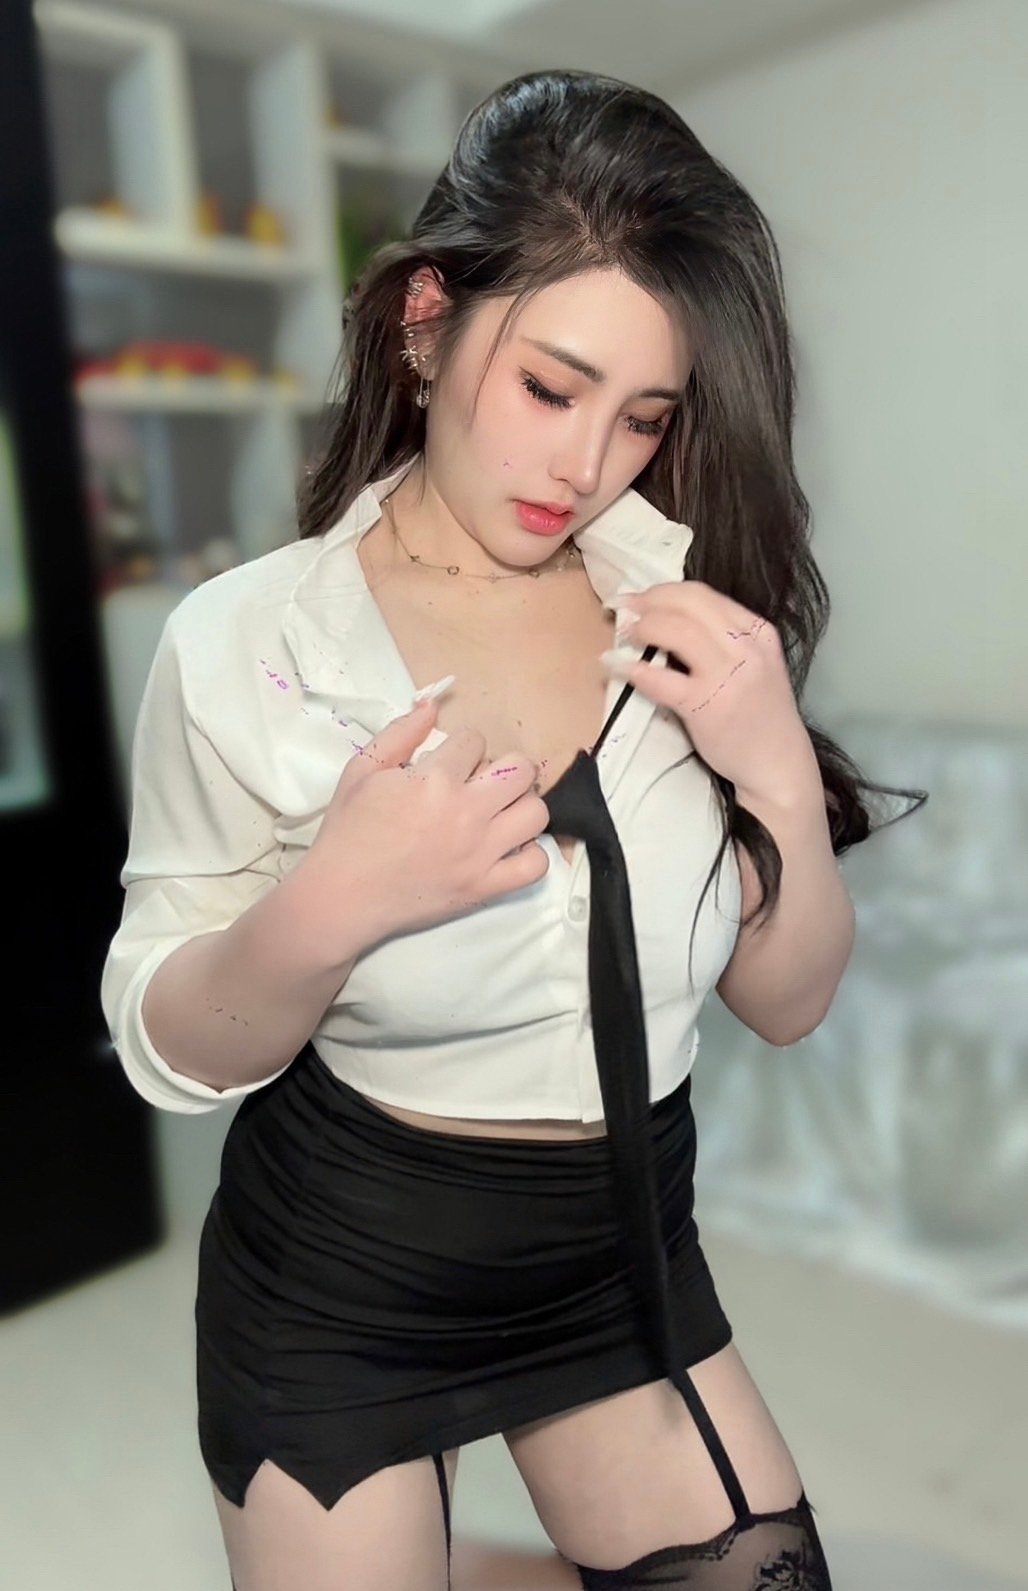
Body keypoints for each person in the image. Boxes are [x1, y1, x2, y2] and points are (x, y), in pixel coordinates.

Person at [100, 68, 926, 1591]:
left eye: (642, 418)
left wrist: (776, 781)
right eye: (551, 389)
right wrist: (330, 905)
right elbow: (174, 1049)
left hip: (623, 1255)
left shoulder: (683, 618)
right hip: (342, 1280)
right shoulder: (248, 643)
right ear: (426, 321)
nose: (584, 466)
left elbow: (788, 1001)